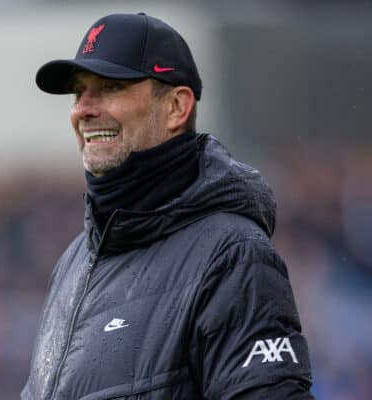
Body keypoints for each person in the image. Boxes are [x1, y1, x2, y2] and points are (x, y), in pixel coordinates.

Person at [22, 12, 314, 400]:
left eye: (109, 87)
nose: (83, 110)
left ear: (177, 107)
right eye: (79, 93)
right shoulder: (74, 261)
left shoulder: (232, 254)